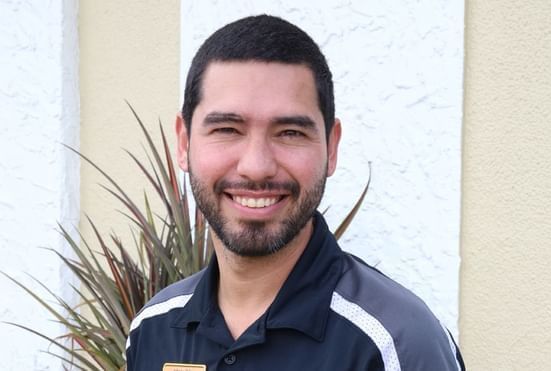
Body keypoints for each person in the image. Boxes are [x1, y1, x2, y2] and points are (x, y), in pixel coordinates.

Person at [126, 14, 465, 371]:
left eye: (290, 132)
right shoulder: (152, 329)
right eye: (227, 128)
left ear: (331, 148)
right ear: (184, 142)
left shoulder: (396, 342)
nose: (256, 167)